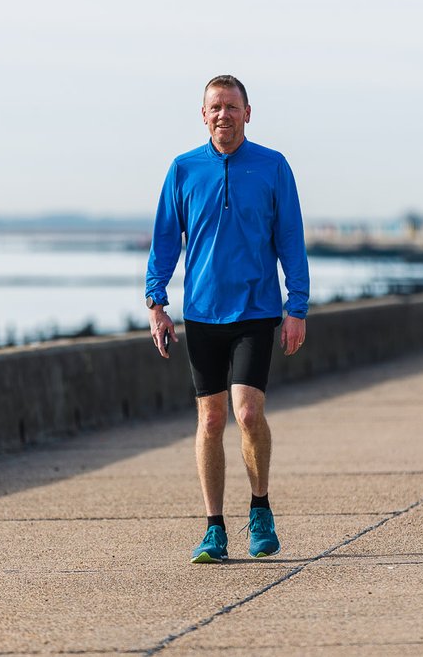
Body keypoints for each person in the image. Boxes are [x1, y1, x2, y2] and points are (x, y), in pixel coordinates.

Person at [145, 74, 310, 563]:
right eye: (215, 107)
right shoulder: (183, 169)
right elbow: (165, 240)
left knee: (248, 413)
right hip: (202, 313)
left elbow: (291, 241)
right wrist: (156, 302)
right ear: (203, 115)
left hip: (257, 309)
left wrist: (296, 307)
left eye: (232, 107)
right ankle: (214, 527)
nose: (223, 115)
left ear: (247, 112)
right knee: (211, 418)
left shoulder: (273, 167)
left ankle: (259, 507)